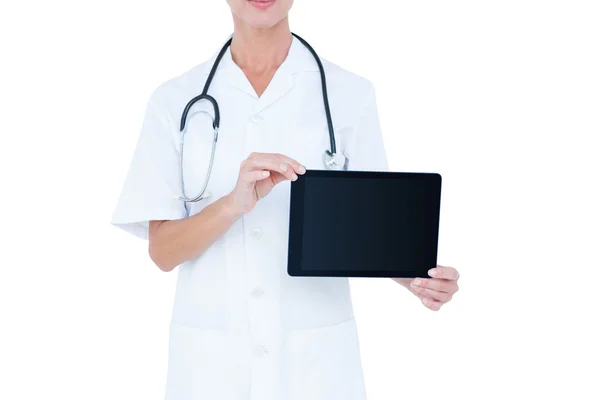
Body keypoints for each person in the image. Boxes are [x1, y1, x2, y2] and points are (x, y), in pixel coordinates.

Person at [111, 0, 460, 399]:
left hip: (316, 367)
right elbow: (162, 252)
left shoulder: (349, 94)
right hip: (213, 369)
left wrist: (416, 278)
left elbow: (372, 238)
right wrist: (231, 205)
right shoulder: (174, 101)